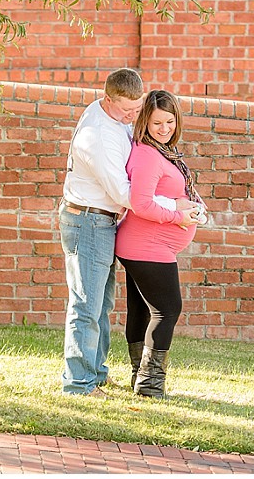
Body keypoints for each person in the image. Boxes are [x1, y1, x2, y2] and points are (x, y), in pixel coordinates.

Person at [59, 69, 193, 397]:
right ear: (108, 99)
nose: (132, 117)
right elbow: (129, 196)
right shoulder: (99, 138)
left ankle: (97, 373)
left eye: (137, 111)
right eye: (126, 111)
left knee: (101, 305)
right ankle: (79, 384)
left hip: (102, 221)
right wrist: (175, 209)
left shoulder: (110, 115)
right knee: (86, 305)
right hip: (88, 220)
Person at [115, 89, 205, 399]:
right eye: (156, 123)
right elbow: (140, 203)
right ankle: (150, 386)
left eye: (169, 121)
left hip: (146, 244)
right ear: (144, 123)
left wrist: (193, 208)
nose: (164, 129)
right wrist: (177, 216)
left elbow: (171, 194)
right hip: (145, 245)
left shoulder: (163, 151)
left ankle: (139, 379)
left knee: (141, 309)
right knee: (168, 309)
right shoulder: (147, 155)